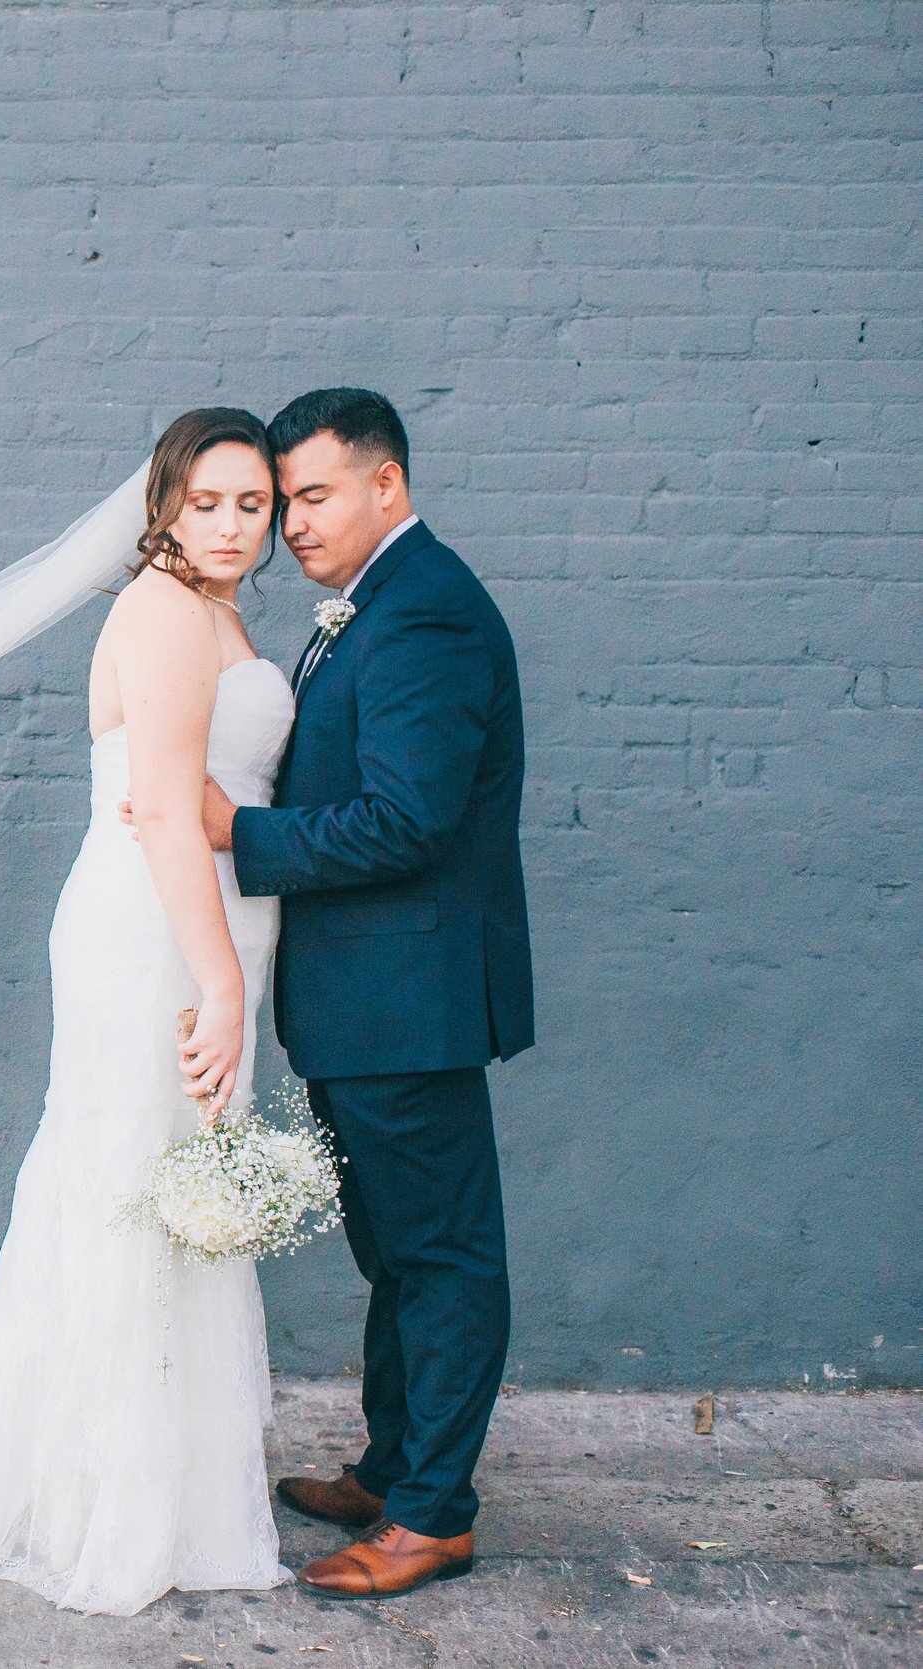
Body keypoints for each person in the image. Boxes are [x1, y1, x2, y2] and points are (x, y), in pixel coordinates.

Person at [0, 407, 297, 1614]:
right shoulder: (164, 611)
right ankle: (104, 1504)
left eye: (253, 506)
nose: (230, 526)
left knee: (174, 1181)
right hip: (157, 934)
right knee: (132, 1178)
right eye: (208, 501)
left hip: (212, 920)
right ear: (162, 501)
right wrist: (218, 983)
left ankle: (155, 1484)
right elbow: (167, 811)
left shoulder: (217, 611)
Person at [184, 387, 533, 1598]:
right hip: (366, 1001)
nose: (290, 524)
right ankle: (393, 1468)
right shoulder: (373, 604)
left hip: (409, 1003)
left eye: (312, 496)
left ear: (387, 483)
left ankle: (432, 1514)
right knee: (398, 1252)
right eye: (283, 504)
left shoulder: (423, 612)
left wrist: (242, 832)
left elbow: (408, 818)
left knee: (438, 1256)